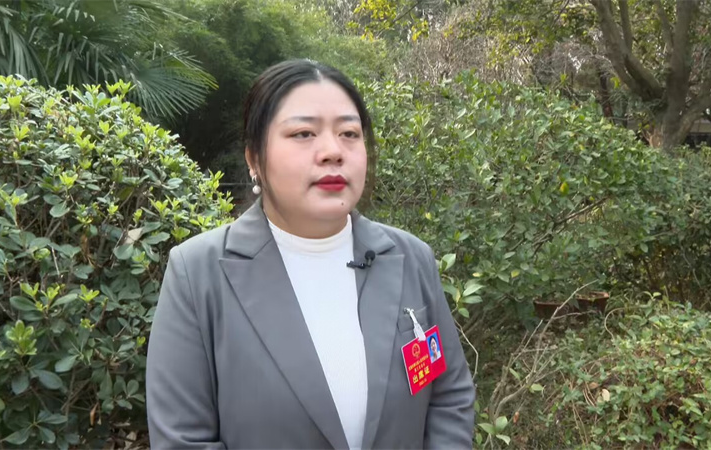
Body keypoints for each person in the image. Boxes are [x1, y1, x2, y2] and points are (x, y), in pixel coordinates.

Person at [145, 59, 475, 449]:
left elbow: (448, 396)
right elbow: (183, 438)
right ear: (254, 159)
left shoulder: (410, 257)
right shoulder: (197, 274)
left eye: (349, 133)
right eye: (303, 133)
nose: (333, 151)